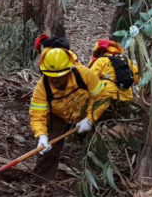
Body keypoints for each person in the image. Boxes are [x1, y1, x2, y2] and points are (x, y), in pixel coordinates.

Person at [29, 44, 106, 180]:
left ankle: (99, 177)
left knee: (93, 146)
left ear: (69, 70)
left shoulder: (84, 74)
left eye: (60, 77)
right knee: (49, 150)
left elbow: (101, 97)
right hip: (58, 116)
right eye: (52, 77)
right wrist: (41, 136)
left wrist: (90, 118)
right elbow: (37, 116)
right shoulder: (42, 89)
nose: (57, 81)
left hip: (84, 112)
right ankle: (40, 183)